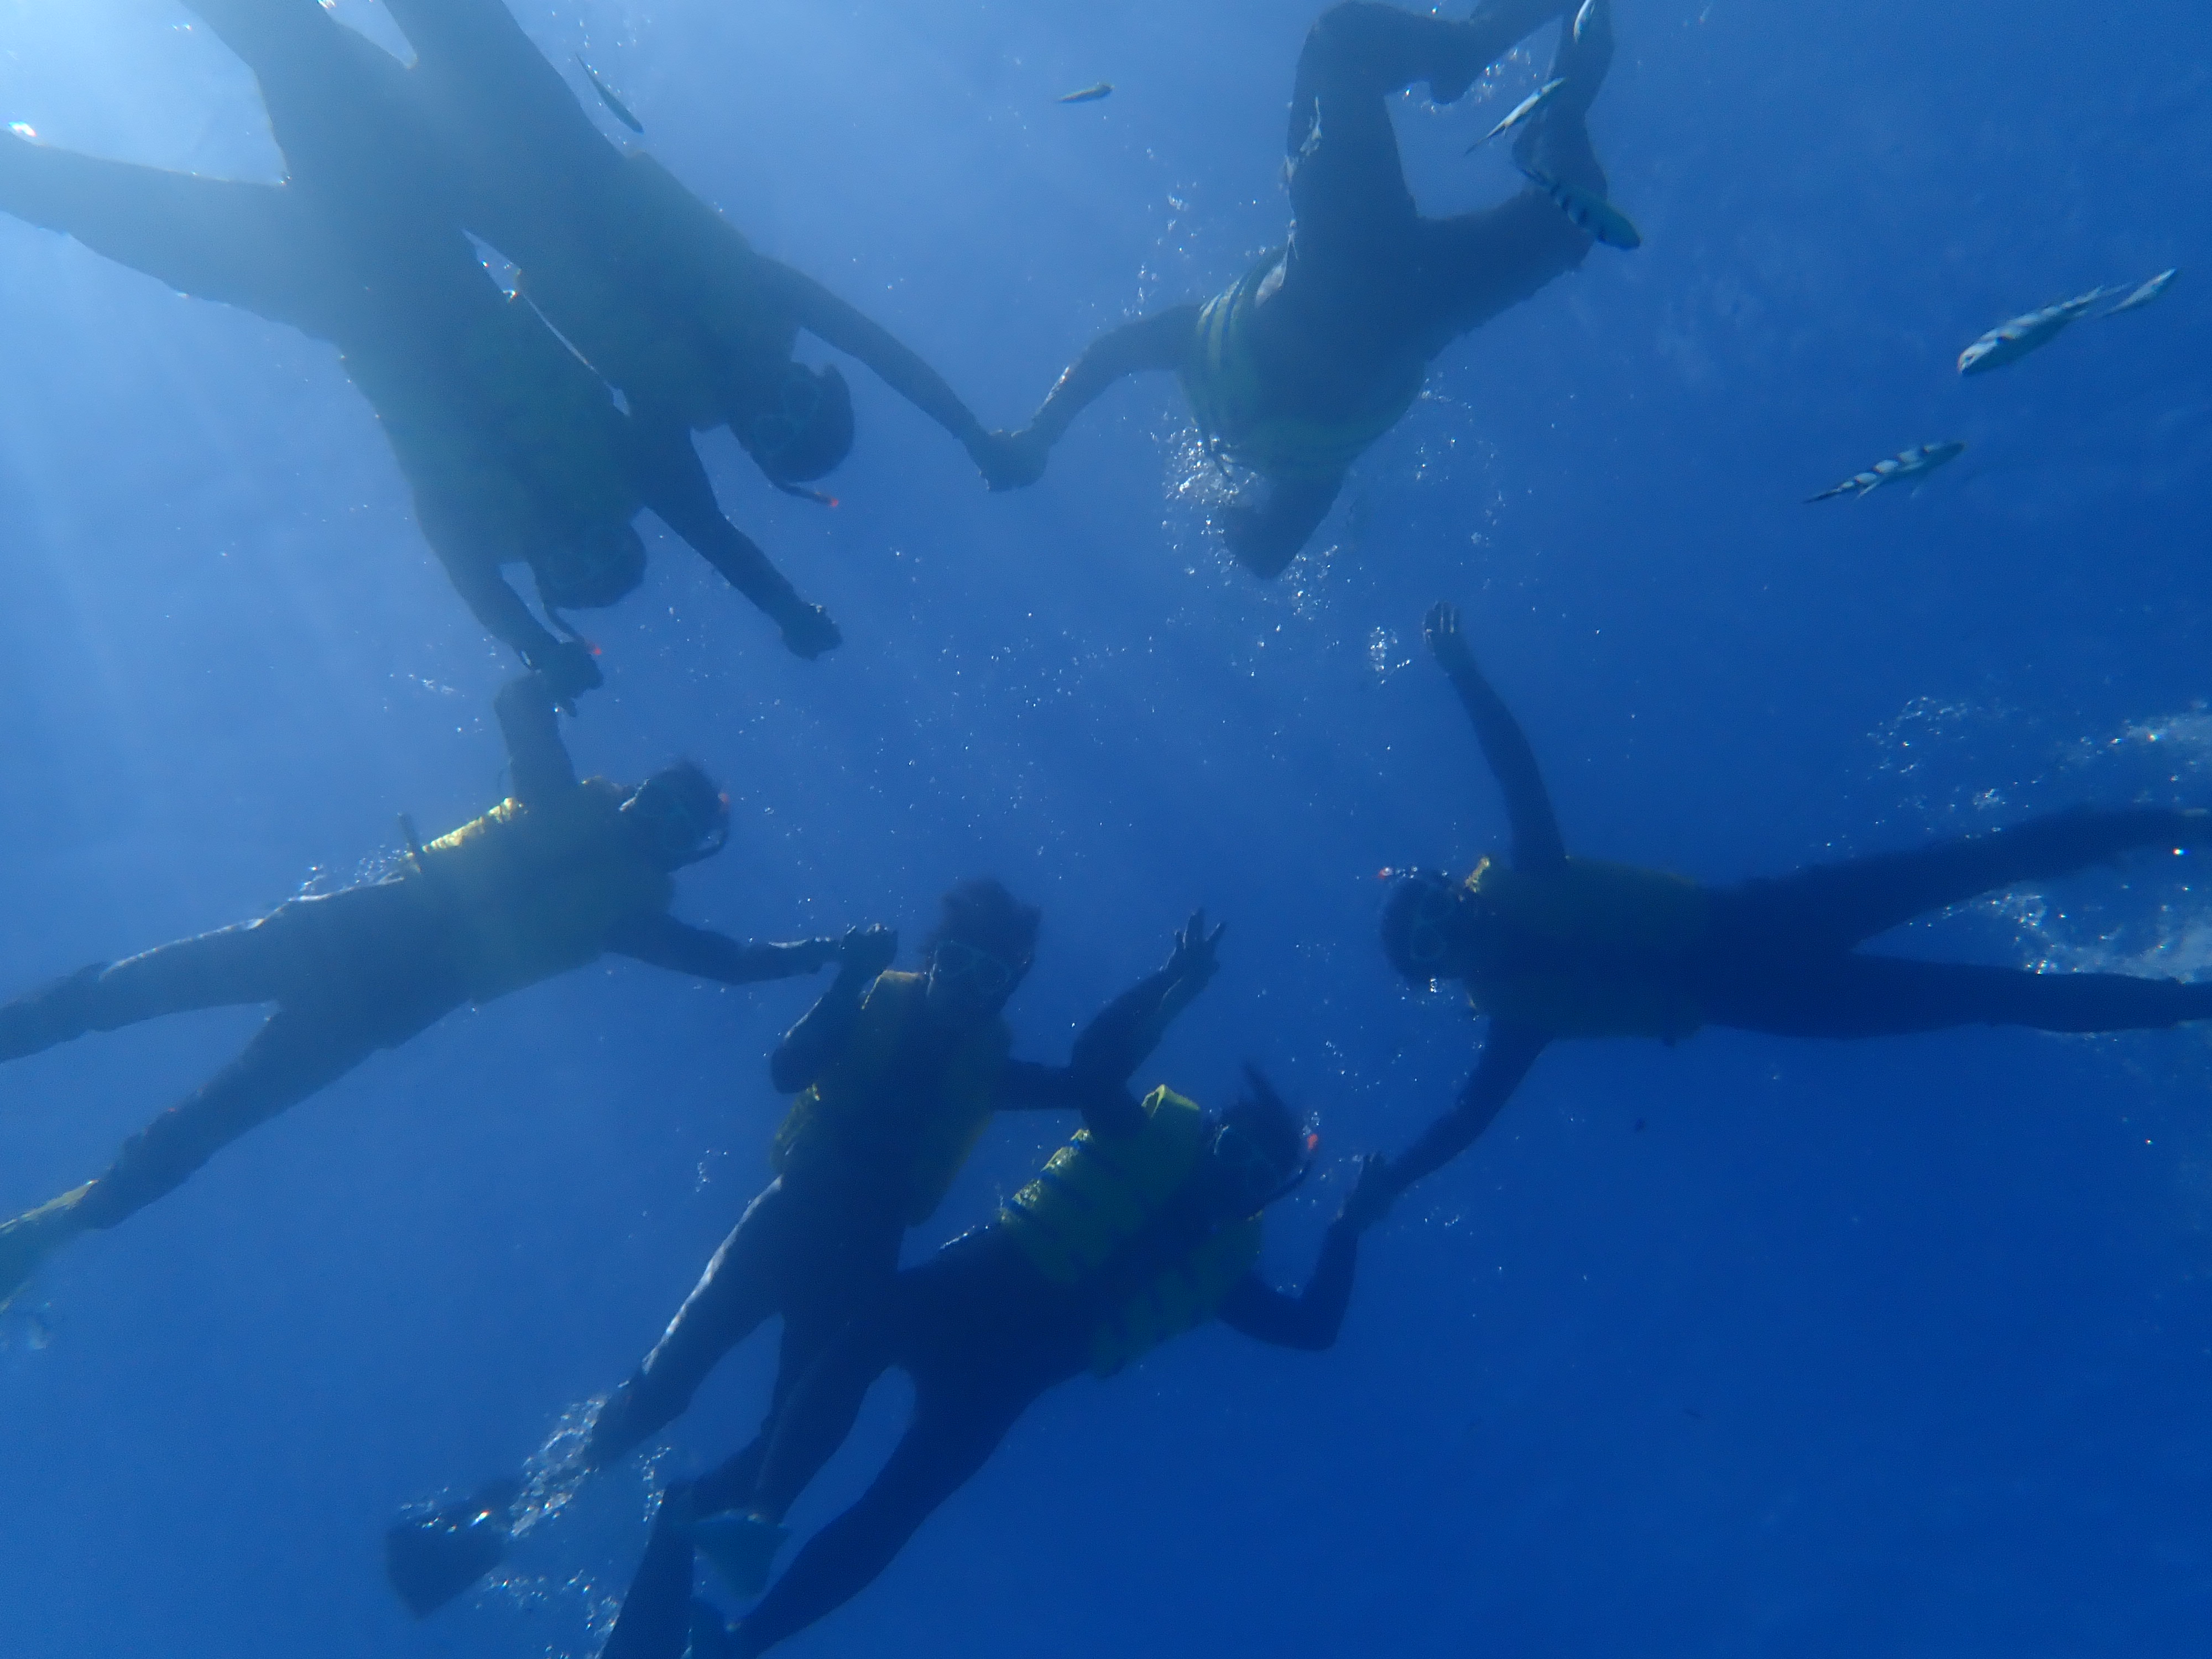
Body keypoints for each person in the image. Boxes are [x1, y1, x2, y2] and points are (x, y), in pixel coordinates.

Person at [385, 888, 1227, 1617]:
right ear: (933, 961)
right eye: (960, 966)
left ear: (1009, 987)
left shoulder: (986, 1068)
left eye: (991, 980)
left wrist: (1172, 988)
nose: (968, 992)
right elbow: (788, 1070)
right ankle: (507, 1513)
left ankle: (687, 1527)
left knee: (795, 1437)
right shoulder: (873, 1008)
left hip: (856, 1258)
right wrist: (852, 977)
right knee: (666, 1386)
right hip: (783, 1226)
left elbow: (1088, 1085)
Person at [0, 0, 838, 696]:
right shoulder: (624, 468)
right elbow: (709, 529)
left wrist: (535, 648)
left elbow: (476, 578)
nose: (576, 534)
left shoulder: (492, 528)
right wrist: (782, 605)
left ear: (547, 583)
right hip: (397, 246)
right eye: (604, 545)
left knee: (107, 198)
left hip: (337, 285)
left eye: (575, 564)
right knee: (285, 50)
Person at [0, 671, 856, 1309]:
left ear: (686, 851)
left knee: (217, 1115)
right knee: (137, 990)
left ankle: (59, 1225)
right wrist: (546, 667)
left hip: (386, 998)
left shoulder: (631, 915)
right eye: (664, 802)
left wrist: (824, 950)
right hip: (355, 935)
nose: (660, 823)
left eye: (681, 826)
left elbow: (729, 960)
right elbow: (517, 706)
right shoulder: (558, 796)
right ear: (638, 790)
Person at [1369, 601, 2212, 1206]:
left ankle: (2181, 822)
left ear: (1455, 891)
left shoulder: (1536, 881)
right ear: (1443, 976)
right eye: (1437, 945)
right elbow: (1464, 1121)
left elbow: (1516, 770)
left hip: (1774, 918)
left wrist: (1466, 676)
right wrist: (1393, 1181)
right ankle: (2192, 1000)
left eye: (1441, 912)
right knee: (1995, 998)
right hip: (1780, 1000)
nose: (1460, 930)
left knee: (1976, 864)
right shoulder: (1520, 1020)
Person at [596, 1071, 1388, 1659]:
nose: (1235, 1172)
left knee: (898, 1510)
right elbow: (1098, 1062)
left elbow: (1313, 1329)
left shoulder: (1223, 1277)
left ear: (1268, 1196)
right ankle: (741, 1513)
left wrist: (1349, 1228)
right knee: (852, 1361)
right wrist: (1163, 992)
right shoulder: (1133, 1132)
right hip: (955, 1299)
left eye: (1257, 1174)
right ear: (1210, 1132)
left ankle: (743, 1638)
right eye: (1234, 1149)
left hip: (997, 1382)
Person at [992, 0, 1627, 576]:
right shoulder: (1205, 360)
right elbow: (1111, 356)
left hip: (1391, 285)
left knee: (1573, 219)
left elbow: (1267, 554)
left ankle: (1533, 105)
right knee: (1342, 43)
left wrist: (1215, 507)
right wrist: (1039, 434)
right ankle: (1501, 79)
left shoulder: (1301, 468)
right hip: (1358, 257)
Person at [367, 0, 1030, 498]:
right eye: (798, 404)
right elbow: (876, 347)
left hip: (487, 199)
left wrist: (780, 609)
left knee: (330, 74)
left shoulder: (667, 410)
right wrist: (966, 431)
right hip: (549, 133)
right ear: (810, 377)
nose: (771, 407)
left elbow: (687, 512)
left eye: (772, 433)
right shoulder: (772, 301)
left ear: (747, 447)